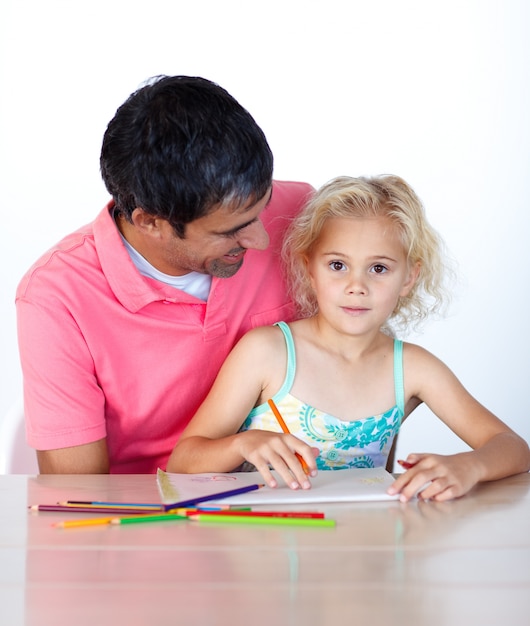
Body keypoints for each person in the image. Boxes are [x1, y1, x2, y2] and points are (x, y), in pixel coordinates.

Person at [16, 75, 313, 474]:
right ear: (150, 221)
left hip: (292, 503)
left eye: (262, 207)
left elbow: (372, 362)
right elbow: (79, 495)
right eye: (229, 231)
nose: (262, 239)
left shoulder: (304, 215)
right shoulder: (56, 297)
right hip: (147, 518)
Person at [168, 175, 530, 501]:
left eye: (379, 268)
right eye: (337, 265)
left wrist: (470, 466)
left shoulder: (413, 368)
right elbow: (183, 461)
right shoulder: (267, 352)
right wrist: (241, 444)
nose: (357, 287)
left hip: (364, 556)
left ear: (408, 278)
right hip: (266, 557)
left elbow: (513, 447)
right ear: (310, 268)